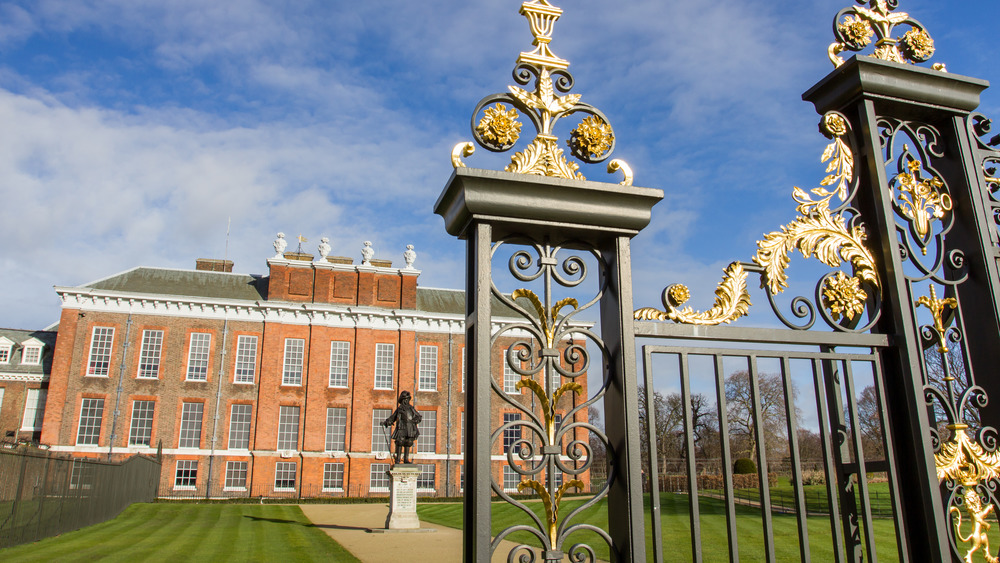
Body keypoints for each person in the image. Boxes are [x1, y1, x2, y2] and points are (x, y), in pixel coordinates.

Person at [382, 391, 422, 464]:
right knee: (400, 442)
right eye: (405, 399)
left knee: (408, 442)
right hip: (402, 426)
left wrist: (415, 420)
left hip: (410, 427)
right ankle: (398, 459)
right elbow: (393, 417)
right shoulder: (399, 409)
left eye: (407, 399)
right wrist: (386, 422)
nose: (406, 401)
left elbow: (418, 416)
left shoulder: (411, 408)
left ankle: (406, 459)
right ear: (402, 400)